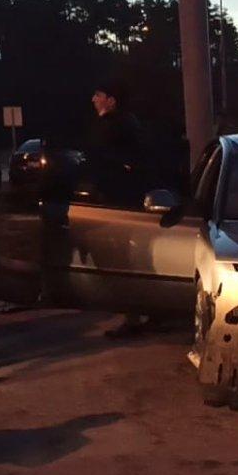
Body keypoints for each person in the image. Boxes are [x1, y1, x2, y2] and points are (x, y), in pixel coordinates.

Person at [86, 81, 151, 339]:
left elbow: (100, 161)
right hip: (127, 201)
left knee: (119, 260)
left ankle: (133, 315)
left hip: (116, 204)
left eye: (98, 94)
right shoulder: (130, 124)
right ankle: (139, 312)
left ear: (111, 100)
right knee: (131, 258)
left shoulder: (111, 126)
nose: (93, 99)